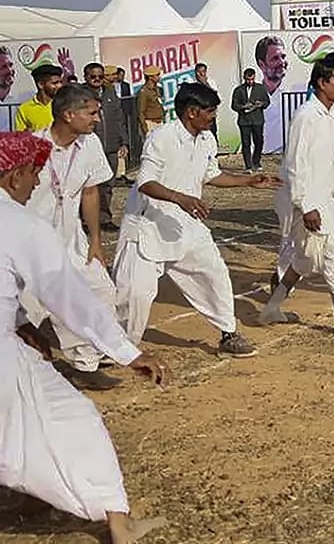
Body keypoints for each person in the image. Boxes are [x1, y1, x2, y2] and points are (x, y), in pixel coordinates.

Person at [0, 131, 169, 544]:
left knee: (33, 421)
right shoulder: (22, 225)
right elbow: (70, 298)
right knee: (74, 418)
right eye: (35, 173)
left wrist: (22, 323)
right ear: (15, 175)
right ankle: (118, 523)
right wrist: (127, 352)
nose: (37, 183)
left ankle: (36, 501)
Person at [112, 82, 272, 358]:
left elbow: (211, 174)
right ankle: (112, 346)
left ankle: (228, 334)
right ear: (192, 112)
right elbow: (145, 183)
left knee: (215, 274)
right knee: (134, 295)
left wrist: (248, 181)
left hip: (186, 225)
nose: (214, 116)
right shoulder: (162, 137)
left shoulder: (207, 139)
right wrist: (181, 199)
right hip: (148, 226)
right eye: (210, 111)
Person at [257, 56, 334, 336]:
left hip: (320, 196)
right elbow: (295, 164)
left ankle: (272, 307)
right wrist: (306, 206)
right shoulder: (307, 117)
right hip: (302, 200)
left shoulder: (329, 117)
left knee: (303, 260)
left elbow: (327, 163)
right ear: (322, 83)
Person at [22, 84, 124, 390]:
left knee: (102, 293)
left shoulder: (89, 144)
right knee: (22, 312)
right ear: (68, 115)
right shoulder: (31, 147)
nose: (97, 118)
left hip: (73, 242)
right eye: (91, 113)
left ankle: (85, 364)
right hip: (31, 248)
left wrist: (95, 241)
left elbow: (90, 192)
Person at [84, 63, 128, 231]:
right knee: (89, 185)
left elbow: (119, 118)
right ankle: (86, 220)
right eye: (93, 76)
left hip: (111, 146)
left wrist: (124, 142)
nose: (97, 79)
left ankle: (104, 218)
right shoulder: (80, 94)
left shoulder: (110, 93)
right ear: (86, 77)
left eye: (100, 76)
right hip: (89, 146)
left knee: (108, 184)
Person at [231, 68, 270, 171]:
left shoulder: (260, 88)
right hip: (244, 121)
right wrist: (243, 107)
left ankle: (256, 162)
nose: (250, 81)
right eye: (248, 79)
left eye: (252, 79)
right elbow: (234, 105)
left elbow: (267, 102)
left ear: (255, 77)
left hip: (257, 120)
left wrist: (261, 104)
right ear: (244, 78)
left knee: (259, 142)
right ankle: (248, 165)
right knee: (246, 143)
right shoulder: (238, 90)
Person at [14, 64, 62, 132]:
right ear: (41, 84)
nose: (60, 86)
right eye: (55, 83)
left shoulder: (63, 105)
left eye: (60, 82)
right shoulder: (24, 109)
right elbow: (20, 135)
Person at [136, 65, 165, 136]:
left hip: (160, 122)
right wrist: (145, 129)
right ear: (150, 77)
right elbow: (141, 112)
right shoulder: (144, 92)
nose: (159, 77)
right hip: (150, 123)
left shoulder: (157, 89)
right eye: (157, 75)